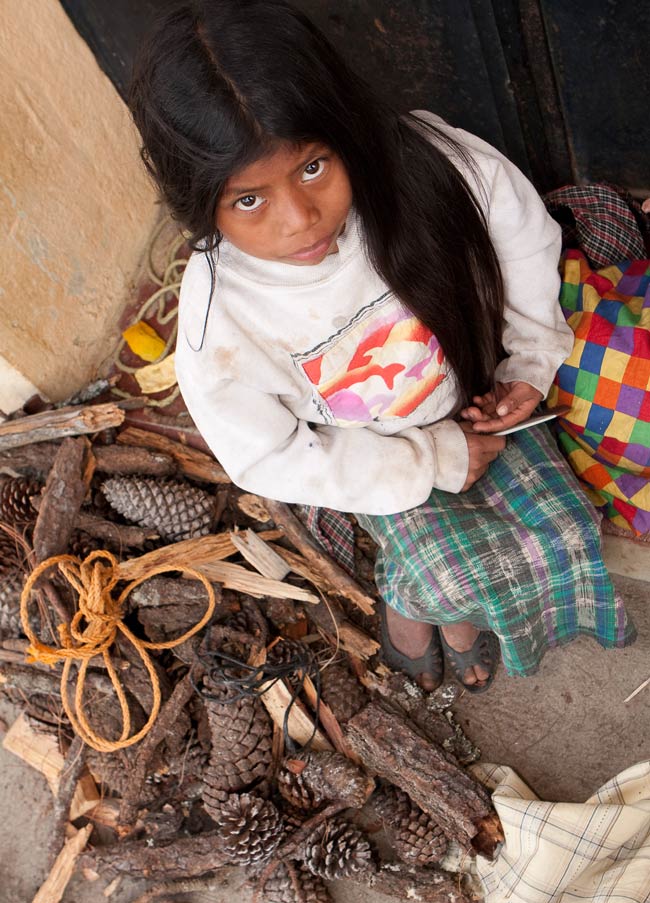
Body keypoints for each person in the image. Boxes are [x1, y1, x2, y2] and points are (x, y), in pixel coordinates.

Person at [129, 0, 635, 693]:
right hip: (375, 455)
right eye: (250, 200)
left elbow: (523, 236)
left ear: (344, 128)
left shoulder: (427, 161)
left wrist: (529, 358)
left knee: (559, 531)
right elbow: (265, 452)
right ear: (198, 201)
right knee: (442, 575)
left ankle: (457, 624)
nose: (301, 218)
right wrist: (431, 457)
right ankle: (412, 621)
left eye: (313, 167)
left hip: (484, 403)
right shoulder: (221, 316)